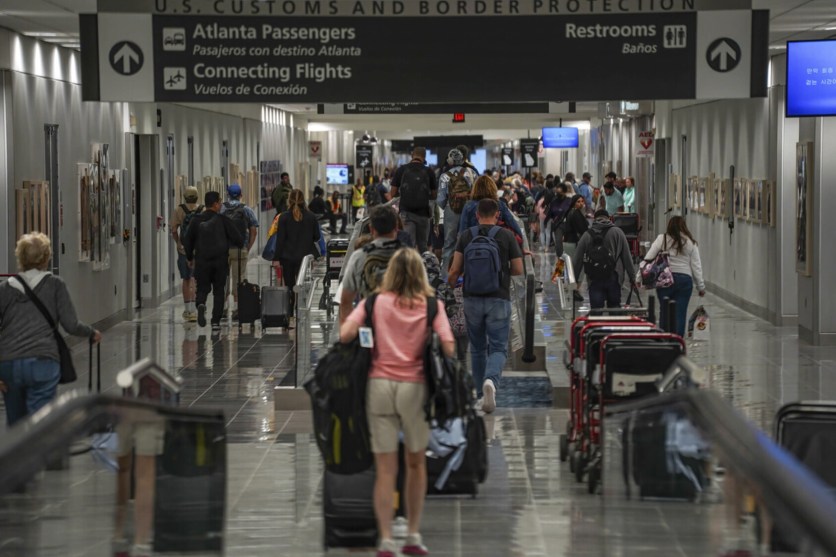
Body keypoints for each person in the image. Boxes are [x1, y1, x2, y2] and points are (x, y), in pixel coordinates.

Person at [340, 248, 455, 557]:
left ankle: (386, 539)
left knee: (385, 468)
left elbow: (346, 334)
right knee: (416, 464)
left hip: (379, 387)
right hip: (415, 388)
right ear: (420, 273)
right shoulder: (432, 305)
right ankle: (414, 535)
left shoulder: (374, 302)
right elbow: (449, 347)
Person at [0, 232, 102, 426]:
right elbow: (70, 325)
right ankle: (41, 454)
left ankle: (20, 455)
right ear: (46, 257)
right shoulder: (55, 285)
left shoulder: (5, 288)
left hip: (9, 364)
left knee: (16, 425)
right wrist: (91, 332)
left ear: (20, 257)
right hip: (42, 361)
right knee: (42, 424)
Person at [448, 198, 524, 414]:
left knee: (478, 348)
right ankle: (491, 381)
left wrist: (448, 289)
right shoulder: (506, 236)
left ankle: (480, 396)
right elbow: (518, 269)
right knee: (499, 347)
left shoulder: (466, 236)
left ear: (477, 215)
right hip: (498, 298)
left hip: (471, 299)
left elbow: (454, 270)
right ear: (497, 216)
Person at [183, 190, 245, 332]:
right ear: (216, 204)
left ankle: (200, 304)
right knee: (218, 291)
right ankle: (215, 322)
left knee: (203, 288)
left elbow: (187, 241)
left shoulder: (196, 220)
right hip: (220, 261)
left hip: (202, 260)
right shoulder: (223, 220)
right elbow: (239, 240)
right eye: (220, 202)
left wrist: (189, 257)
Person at [642, 216, 706, 337]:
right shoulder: (690, 242)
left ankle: (664, 338)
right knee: (680, 313)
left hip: (665, 280)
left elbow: (648, 259)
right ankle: (678, 342)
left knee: (664, 310)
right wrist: (701, 287)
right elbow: (696, 267)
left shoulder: (662, 239)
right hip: (684, 281)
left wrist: (639, 278)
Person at [339, 205, 402, 326]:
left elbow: (345, 302)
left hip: (369, 326)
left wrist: (352, 335)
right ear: (396, 228)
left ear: (371, 229)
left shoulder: (359, 256)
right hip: (399, 328)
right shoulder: (410, 256)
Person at [571, 209, 635, 310]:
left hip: (594, 278)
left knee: (596, 311)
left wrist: (573, 280)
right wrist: (633, 277)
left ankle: (597, 325)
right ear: (609, 218)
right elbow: (627, 256)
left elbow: (577, 259)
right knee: (614, 308)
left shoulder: (587, 235)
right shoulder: (618, 232)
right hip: (615, 276)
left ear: (594, 219)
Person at [273, 189, 321, 320]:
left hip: (287, 257)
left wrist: (276, 258)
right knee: (302, 284)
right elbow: (317, 237)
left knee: (289, 285)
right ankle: (300, 309)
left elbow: (280, 240)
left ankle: (290, 312)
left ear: (289, 200)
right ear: (303, 200)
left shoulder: (283, 217)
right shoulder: (311, 217)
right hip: (304, 259)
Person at [437, 148, 479, 273]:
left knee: (449, 244)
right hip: (471, 210)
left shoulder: (444, 176)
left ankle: (446, 277)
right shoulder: (472, 173)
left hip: (452, 212)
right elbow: (477, 192)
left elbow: (441, 200)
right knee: (471, 241)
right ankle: (471, 274)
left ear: (449, 161)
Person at [221, 183, 259, 320]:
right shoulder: (246, 210)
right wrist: (247, 247)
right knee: (239, 278)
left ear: (228, 194)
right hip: (240, 249)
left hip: (223, 250)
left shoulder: (221, 209)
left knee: (223, 278)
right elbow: (254, 231)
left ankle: (224, 308)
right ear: (241, 195)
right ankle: (238, 309)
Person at [391, 146, 438, 253]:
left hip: (406, 212)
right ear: (424, 157)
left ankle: (409, 268)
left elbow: (392, 193)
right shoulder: (429, 171)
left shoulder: (401, 169)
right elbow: (434, 195)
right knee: (423, 246)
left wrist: (402, 193)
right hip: (423, 214)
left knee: (408, 245)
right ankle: (422, 268)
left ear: (412, 155)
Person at [170, 185, 202, 322]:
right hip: (198, 249)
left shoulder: (178, 210)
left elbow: (173, 230)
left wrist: (179, 242)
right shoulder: (202, 209)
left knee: (186, 278)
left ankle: (187, 310)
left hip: (183, 249)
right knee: (195, 278)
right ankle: (195, 309)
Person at [458, 175, 524, 240]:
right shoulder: (500, 204)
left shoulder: (469, 206)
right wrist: (521, 240)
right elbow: (512, 223)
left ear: (475, 189)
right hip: (496, 243)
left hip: (473, 244)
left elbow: (463, 230)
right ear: (493, 188)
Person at [561, 194, 589, 259]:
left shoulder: (571, 211)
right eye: (578, 202)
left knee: (565, 261)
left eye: (582, 201)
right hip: (572, 242)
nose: (581, 203)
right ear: (574, 203)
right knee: (572, 264)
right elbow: (582, 229)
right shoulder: (575, 213)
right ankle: (557, 269)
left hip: (567, 242)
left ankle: (557, 269)